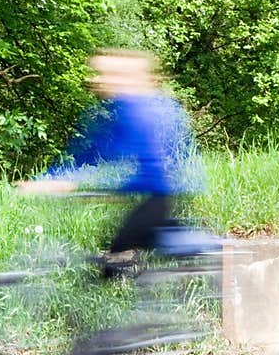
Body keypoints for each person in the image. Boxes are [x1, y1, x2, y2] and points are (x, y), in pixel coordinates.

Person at [15, 48, 205, 278]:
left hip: (158, 199)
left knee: (114, 261)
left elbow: (154, 173)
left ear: (129, 77)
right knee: (117, 256)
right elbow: (86, 155)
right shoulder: (118, 110)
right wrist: (48, 180)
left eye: (107, 73)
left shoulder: (144, 112)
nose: (97, 80)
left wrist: (98, 186)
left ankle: (191, 274)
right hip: (148, 199)